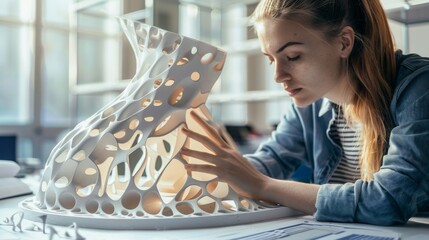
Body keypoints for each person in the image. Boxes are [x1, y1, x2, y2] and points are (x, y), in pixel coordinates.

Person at [180, 0, 429, 225]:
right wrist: (219, 170)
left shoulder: (418, 88)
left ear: (344, 42)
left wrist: (261, 185)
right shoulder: (309, 103)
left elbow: (387, 201)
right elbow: (272, 159)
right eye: (271, 59)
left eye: (293, 56)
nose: (278, 76)